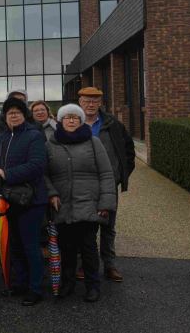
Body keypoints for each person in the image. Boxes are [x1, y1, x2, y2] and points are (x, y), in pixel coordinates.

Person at [45, 104, 116, 303]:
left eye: (75, 118)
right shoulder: (51, 144)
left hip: (88, 204)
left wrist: (106, 203)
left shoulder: (93, 142)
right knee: (66, 248)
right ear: (60, 121)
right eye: (66, 118)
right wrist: (51, 193)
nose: (71, 121)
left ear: (81, 121)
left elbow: (106, 174)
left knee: (88, 248)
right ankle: (67, 284)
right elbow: (44, 174)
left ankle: (93, 286)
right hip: (63, 206)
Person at [0, 97, 48, 306]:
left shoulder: (34, 136)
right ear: (5, 116)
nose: (13, 115)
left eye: (17, 112)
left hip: (31, 201)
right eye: (9, 112)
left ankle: (35, 289)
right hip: (8, 200)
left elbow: (37, 165)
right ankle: (20, 284)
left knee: (30, 246)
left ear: (24, 115)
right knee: (16, 246)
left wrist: (7, 173)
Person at [78, 87, 136, 283]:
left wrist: (119, 176)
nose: (91, 105)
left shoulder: (113, 124)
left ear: (101, 102)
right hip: (83, 185)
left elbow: (128, 151)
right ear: (80, 103)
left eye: (95, 101)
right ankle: (86, 264)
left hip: (108, 184)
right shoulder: (73, 123)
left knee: (108, 227)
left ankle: (109, 265)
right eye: (87, 101)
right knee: (86, 227)